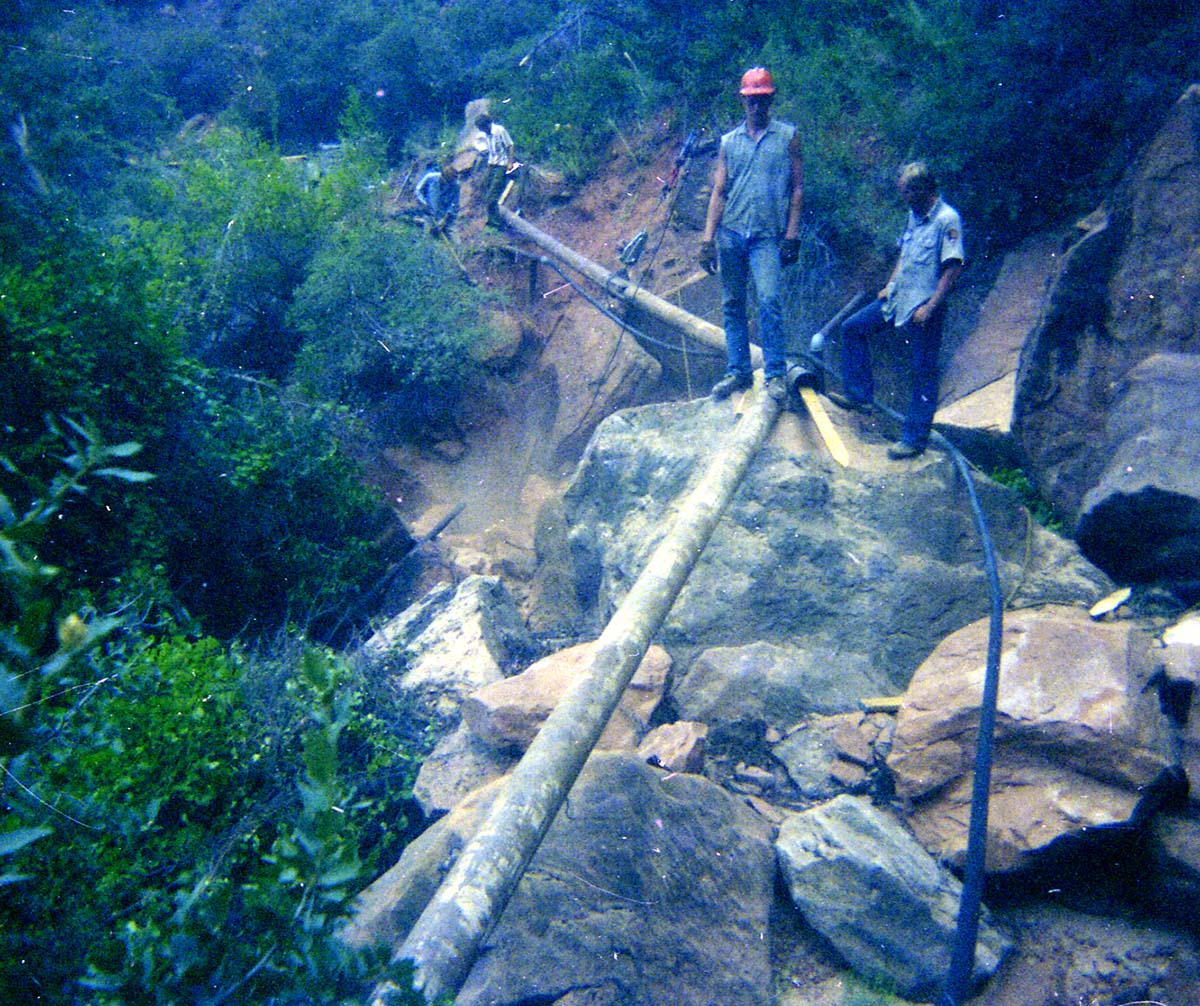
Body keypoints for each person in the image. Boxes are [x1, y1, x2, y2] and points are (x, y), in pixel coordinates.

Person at [830, 161, 964, 459]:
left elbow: (952, 268)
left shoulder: (947, 219)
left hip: (924, 306)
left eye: (906, 192)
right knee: (852, 328)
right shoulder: (914, 215)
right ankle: (859, 396)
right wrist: (890, 285)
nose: (903, 197)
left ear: (922, 190)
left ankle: (914, 440)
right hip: (898, 298)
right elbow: (905, 253)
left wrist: (931, 306)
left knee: (923, 371)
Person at [699, 66, 805, 402]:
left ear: (770, 100)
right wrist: (707, 239)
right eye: (751, 101)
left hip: (766, 236)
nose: (756, 107)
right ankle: (738, 371)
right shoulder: (729, 142)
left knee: (769, 300)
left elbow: (798, 188)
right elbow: (719, 191)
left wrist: (791, 234)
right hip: (731, 233)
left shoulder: (788, 138)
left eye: (762, 100)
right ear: (743, 103)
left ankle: (774, 374)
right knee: (732, 303)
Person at [474, 112, 515, 227]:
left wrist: (510, 163)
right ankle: (491, 219)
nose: (483, 130)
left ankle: (497, 222)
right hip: (492, 164)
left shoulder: (499, 131)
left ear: (488, 124)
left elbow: (510, 145)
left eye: (483, 128)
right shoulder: (486, 134)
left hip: (501, 165)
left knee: (492, 195)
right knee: (486, 190)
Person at [415, 161, 460, 237]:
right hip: (429, 214)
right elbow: (418, 190)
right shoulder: (430, 177)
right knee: (427, 236)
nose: (447, 184)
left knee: (455, 240)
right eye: (446, 181)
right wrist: (423, 203)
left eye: (450, 182)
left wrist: (444, 219)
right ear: (442, 176)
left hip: (445, 217)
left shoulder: (455, 186)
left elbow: (454, 204)